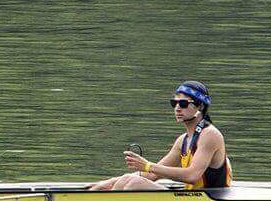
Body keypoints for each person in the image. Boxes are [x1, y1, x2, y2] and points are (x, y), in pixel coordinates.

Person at [91, 81, 232, 190]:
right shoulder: (183, 140)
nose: (177, 108)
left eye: (183, 103)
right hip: (192, 198)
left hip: (209, 200)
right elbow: (152, 174)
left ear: (200, 106)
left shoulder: (210, 135)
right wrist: (109, 182)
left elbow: (192, 176)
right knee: (127, 179)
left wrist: (147, 165)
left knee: (135, 183)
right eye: (174, 103)